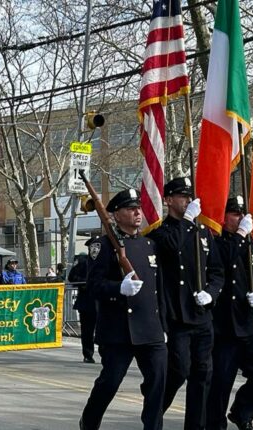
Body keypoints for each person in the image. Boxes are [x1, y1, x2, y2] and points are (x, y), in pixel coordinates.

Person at [79, 188, 166, 430]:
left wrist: (164, 325)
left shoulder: (150, 244)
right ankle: (90, 421)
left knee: (158, 383)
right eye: (130, 209)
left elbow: (159, 290)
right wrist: (119, 288)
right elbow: (94, 286)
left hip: (150, 328)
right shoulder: (103, 245)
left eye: (138, 208)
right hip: (119, 330)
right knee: (110, 382)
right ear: (116, 215)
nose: (137, 212)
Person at [147, 177, 224, 430]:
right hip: (176, 316)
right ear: (168, 200)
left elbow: (216, 271)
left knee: (203, 374)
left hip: (201, 314)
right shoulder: (162, 231)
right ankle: (154, 412)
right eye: (182, 196)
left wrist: (211, 293)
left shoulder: (203, 233)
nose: (188, 200)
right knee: (178, 370)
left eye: (190, 196)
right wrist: (188, 222)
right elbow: (170, 247)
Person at [207, 196, 253, 430]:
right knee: (221, 380)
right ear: (223, 218)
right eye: (235, 214)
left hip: (252, 320)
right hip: (225, 322)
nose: (241, 218)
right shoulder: (217, 243)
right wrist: (240, 235)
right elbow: (224, 262)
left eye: (243, 213)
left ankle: (242, 412)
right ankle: (214, 423)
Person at [69, 248, 95, 363]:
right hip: (87, 301)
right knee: (87, 331)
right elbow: (72, 278)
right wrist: (85, 282)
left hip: (103, 300)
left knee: (104, 330)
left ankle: (107, 355)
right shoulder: (83, 261)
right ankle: (88, 354)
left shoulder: (108, 259)